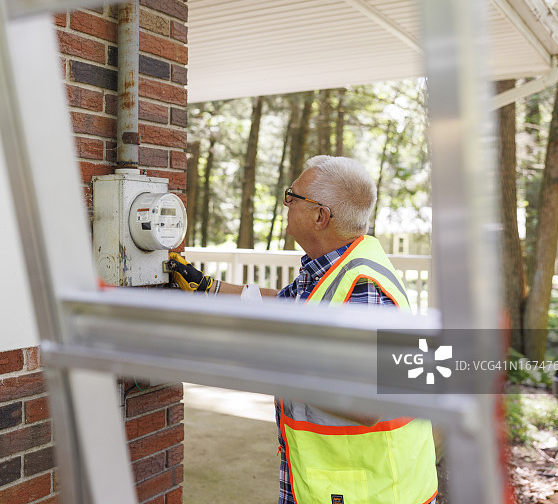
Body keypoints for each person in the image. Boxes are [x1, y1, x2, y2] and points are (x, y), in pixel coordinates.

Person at [168, 155, 438, 504]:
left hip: (372, 490)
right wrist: (208, 287)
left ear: (320, 216)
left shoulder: (363, 285)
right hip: (336, 483)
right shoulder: (330, 267)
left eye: (291, 197)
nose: (285, 204)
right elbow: (283, 305)